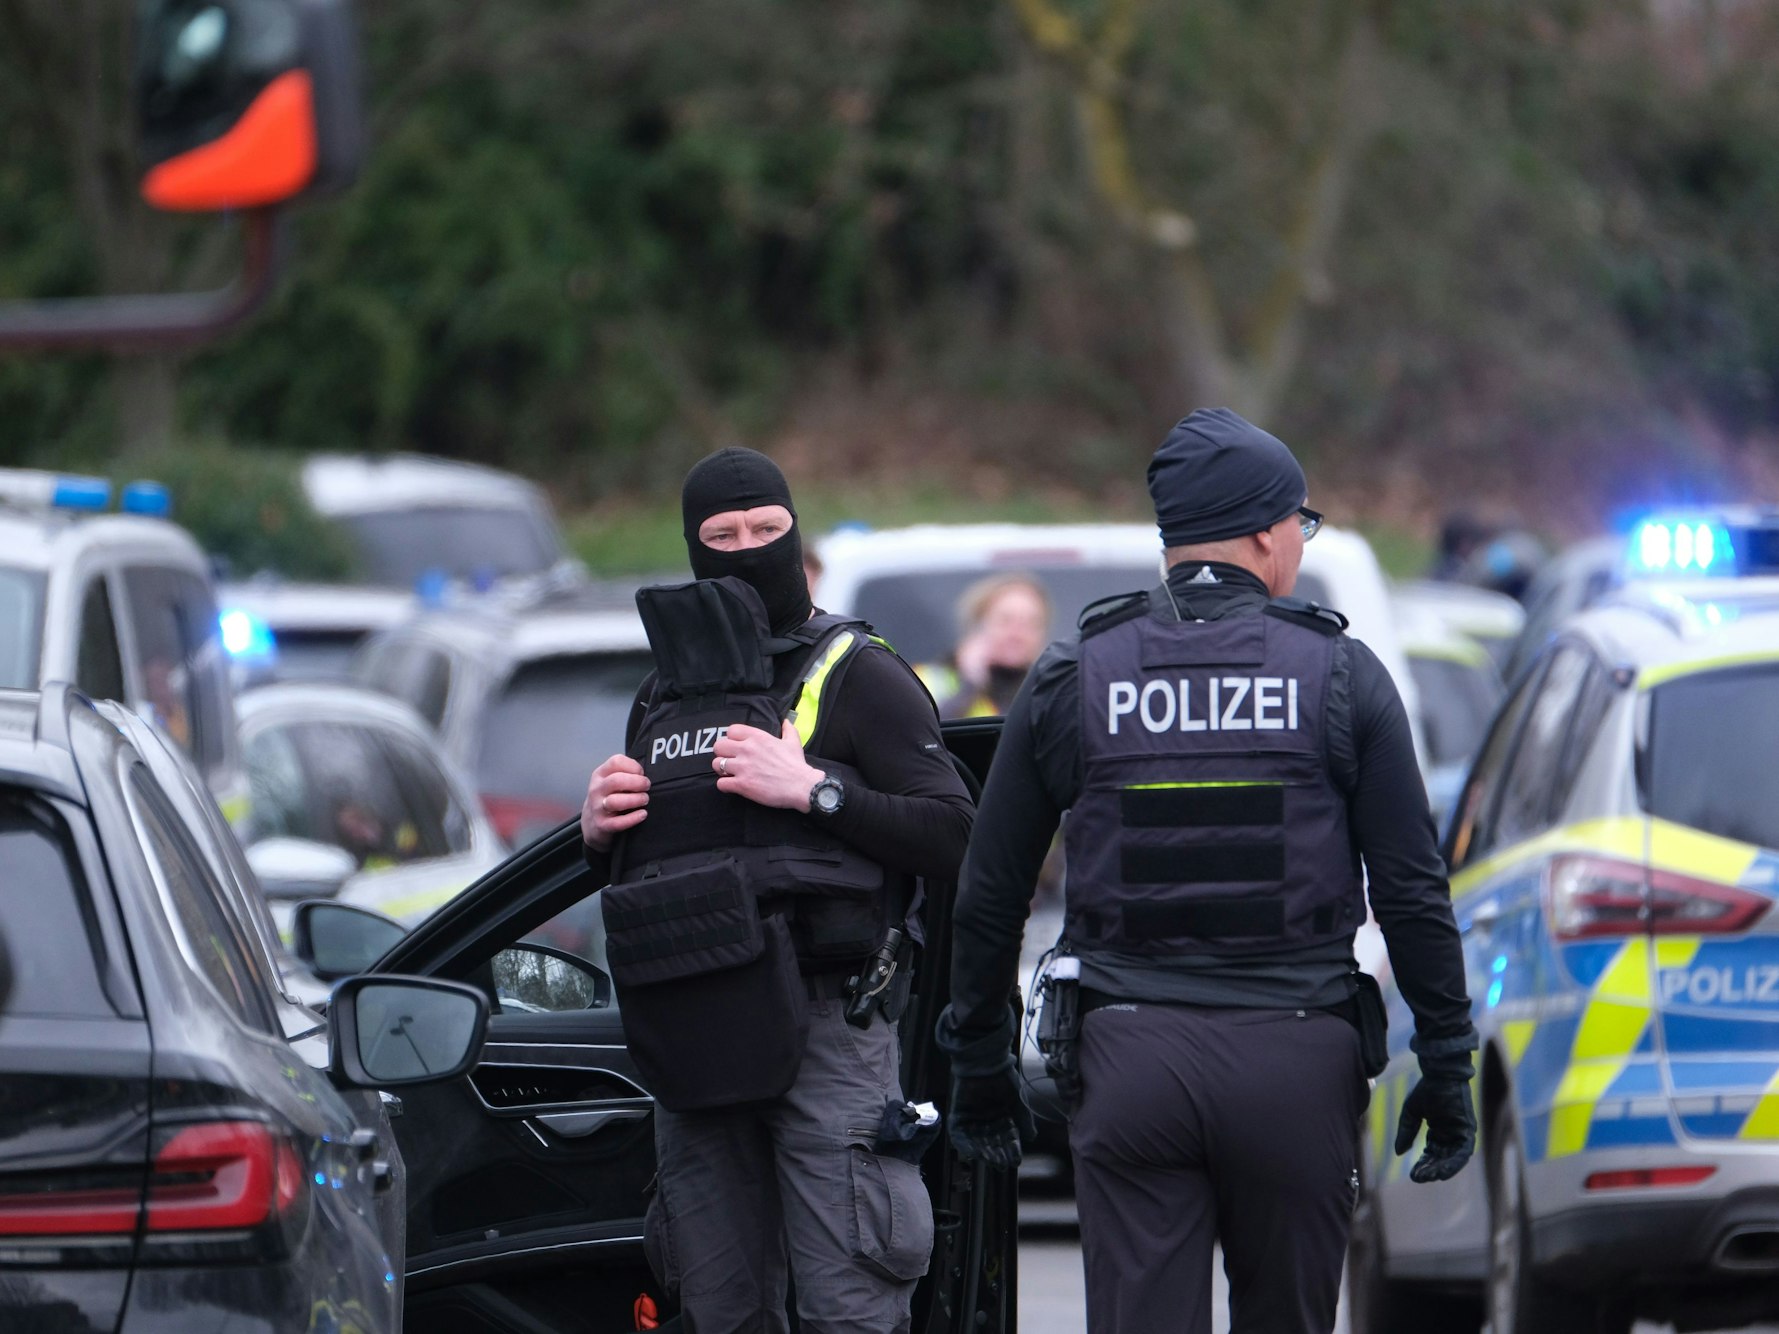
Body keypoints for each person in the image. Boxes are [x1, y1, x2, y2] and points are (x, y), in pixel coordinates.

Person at [936, 408, 1479, 1334]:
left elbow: (989, 893)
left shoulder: (1075, 674)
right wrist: (1446, 1056)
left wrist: (979, 1060)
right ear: (1269, 534)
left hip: (1131, 1061)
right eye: (1298, 529)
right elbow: (1410, 889)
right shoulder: (1339, 674)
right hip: (1295, 1060)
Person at [580, 446, 974, 1334]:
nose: (745, 549)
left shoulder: (858, 670)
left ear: (798, 535)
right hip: (694, 1030)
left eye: (766, 530)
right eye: (720, 536)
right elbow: (663, 868)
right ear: (691, 550)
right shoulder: (660, 698)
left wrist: (813, 791)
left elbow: (958, 835)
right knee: (718, 1310)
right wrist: (595, 834)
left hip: (828, 1028)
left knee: (848, 1310)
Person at [939, 573, 1052, 720]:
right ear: (977, 627)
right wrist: (970, 685)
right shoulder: (928, 680)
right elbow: (924, 734)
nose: (1017, 634)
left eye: (1031, 623)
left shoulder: (1051, 691)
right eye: (1006, 620)